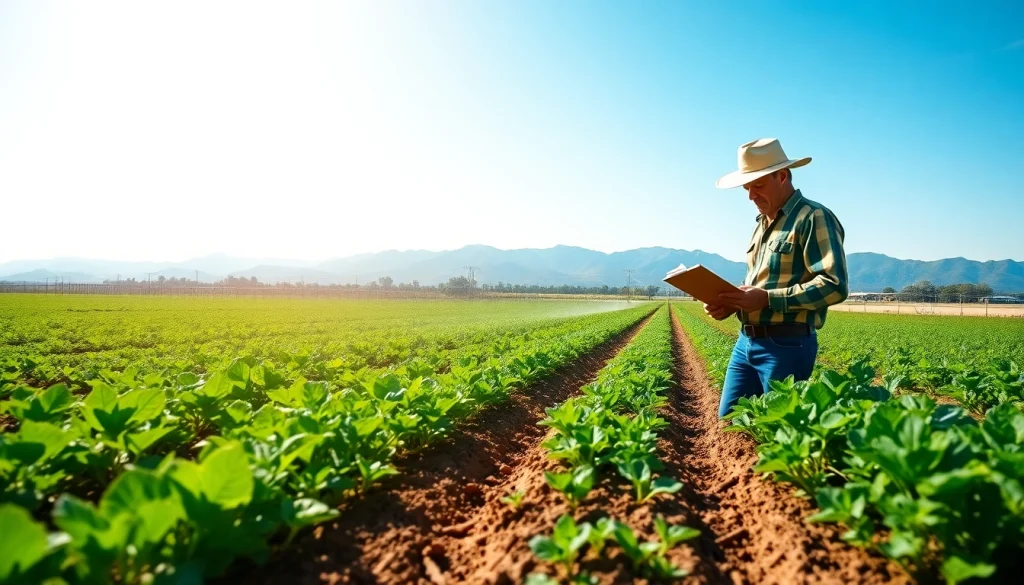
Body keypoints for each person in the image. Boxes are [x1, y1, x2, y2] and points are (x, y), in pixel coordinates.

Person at [706, 138, 849, 418]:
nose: (750, 196)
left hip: (786, 346)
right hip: (745, 342)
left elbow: (834, 285)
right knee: (731, 425)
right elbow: (762, 285)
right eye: (747, 187)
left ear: (782, 176)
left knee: (779, 432)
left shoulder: (813, 217)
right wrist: (734, 302)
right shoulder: (761, 225)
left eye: (757, 186)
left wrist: (767, 299)